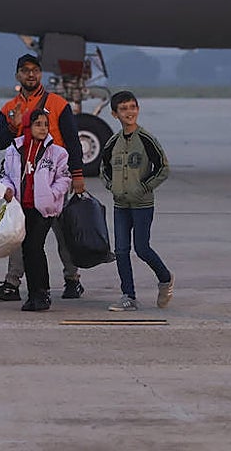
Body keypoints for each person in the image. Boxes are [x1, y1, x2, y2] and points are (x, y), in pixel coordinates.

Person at [0, 54, 84, 302]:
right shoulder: (9, 108)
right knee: (18, 233)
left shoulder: (58, 104)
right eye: (25, 70)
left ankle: (72, 279)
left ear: (40, 73)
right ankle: (12, 283)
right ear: (18, 75)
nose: (31, 75)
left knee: (63, 235)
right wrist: (12, 126)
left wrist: (77, 175)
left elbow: (73, 141)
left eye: (35, 70)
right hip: (22, 183)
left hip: (53, 180)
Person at [100, 92, 174, 312]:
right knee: (121, 250)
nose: (129, 112)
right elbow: (104, 168)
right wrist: (111, 186)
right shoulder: (113, 142)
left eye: (133, 107)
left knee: (142, 248)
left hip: (142, 204)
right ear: (115, 114)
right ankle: (128, 296)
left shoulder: (146, 139)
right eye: (123, 109)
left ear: (138, 109)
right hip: (120, 205)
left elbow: (163, 168)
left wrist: (144, 187)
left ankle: (165, 278)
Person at [0, 109, 72, 312]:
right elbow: (6, 175)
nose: (43, 128)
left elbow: (64, 178)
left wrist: (51, 194)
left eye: (45, 124)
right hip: (22, 209)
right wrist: (8, 190)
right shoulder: (14, 149)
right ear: (28, 126)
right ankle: (34, 294)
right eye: (38, 123)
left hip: (43, 210)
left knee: (34, 248)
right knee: (28, 251)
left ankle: (41, 294)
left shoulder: (57, 152)